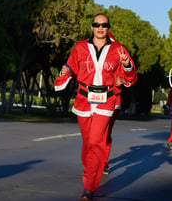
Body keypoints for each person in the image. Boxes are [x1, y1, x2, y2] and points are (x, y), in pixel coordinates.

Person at [54, 13, 136, 201]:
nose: (100, 28)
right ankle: (90, 171)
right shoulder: (80, 47)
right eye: (97, 24)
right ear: (92, 27)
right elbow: (70, 67)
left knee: (96, 142)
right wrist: (65, 74)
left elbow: (130, 76)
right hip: (84, 99)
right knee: (87, 144)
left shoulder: (118, 49)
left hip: (106, 99)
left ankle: (89, 187)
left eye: (104, 25)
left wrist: (127, 65)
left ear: (109, 28)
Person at [102, 32, 137, 175]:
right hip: (93, 99)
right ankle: (92, 160)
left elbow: (132, 76)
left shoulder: (119, 56)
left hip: (113, 99)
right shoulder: (92, 55)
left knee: (105, 132)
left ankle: (103, 162)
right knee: (93, 134)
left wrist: (122, 81)